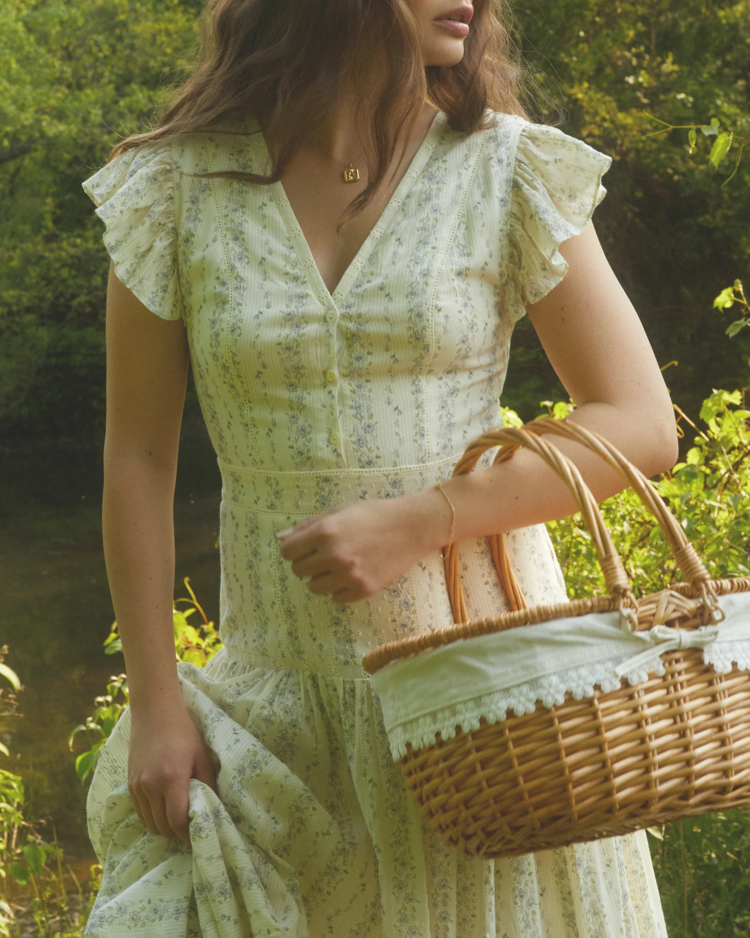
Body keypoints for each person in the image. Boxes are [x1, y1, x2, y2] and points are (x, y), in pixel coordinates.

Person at [80, 0, 677, 934]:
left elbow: (640, 424)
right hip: (278, 713)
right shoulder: (174, 186)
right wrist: (158, 702)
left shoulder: (506, 167)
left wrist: (423, 518)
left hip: (486, 705)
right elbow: (139, 457)